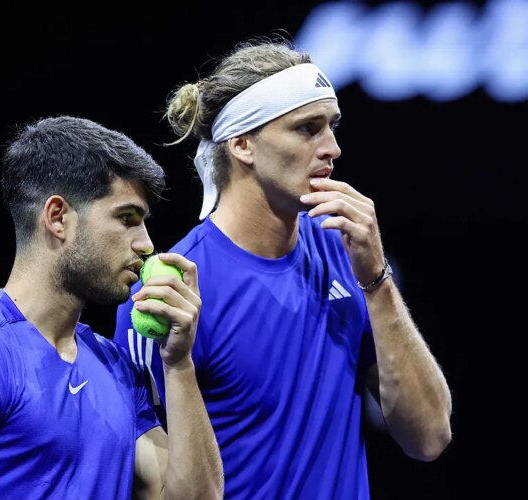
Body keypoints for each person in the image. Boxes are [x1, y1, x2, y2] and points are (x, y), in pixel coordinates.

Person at [114, 39, 452, 499]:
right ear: (242, 144)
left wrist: (377, 281)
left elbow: (429, 436)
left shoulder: (346, 252)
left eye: (331, 126)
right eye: (307, 128)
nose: (332, 148)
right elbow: (149, 487)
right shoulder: (171, 291)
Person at [0, 116, 224, 499]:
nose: (146, 244)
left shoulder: (115, 367)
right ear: (58, 217)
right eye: (127, 219)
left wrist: (178, 364)